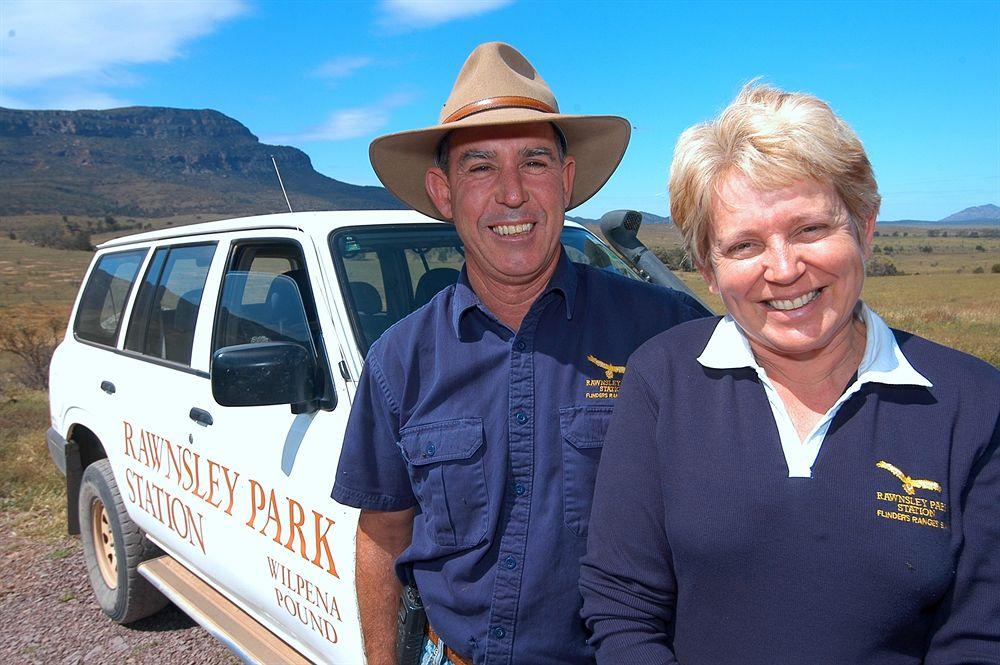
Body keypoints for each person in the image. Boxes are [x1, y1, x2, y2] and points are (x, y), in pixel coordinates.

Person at [579, 83, 1000, 664]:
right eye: (744, 245)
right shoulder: (663, 379)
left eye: (809, 229)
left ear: (864, 225)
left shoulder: (974, 404)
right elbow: (622, 605)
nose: (783, 269)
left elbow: (980, 638)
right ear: (707, 267)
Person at [332, 42, 709, 665]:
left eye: (534, 162)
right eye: (479, 166)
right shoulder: (398, 361)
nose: (511, 194)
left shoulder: (665, 333)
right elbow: (382, 535)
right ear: (443, 191)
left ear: (565, 183)